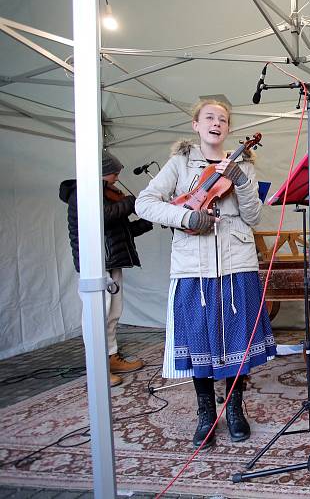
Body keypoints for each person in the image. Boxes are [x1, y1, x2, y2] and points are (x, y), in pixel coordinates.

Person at [135, 99, 277, 449]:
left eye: (223, 119)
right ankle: (204, 413)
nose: (217, 123)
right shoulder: (180, 162)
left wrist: (242, 181)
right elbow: (144, 202)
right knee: (200, 341)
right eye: (209, 117)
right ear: (196, 124)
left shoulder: (242, 163)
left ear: (228, 129)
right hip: (193, 269)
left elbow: (254, 216)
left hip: (237, 264)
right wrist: (186, 218)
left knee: (236, 342)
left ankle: (233, 409)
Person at [59, 150, 152, 387]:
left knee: (113, 312)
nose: (117, 178)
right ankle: (97, 367)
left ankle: (111, 356)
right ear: (101, 172)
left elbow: (121, 231)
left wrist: (145, 222)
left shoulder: (105, 194)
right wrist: (133, 202)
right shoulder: (82, 193)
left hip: (112, 260)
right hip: (96, 263)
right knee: (97, 314)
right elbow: (101, 217)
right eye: (114, 173)